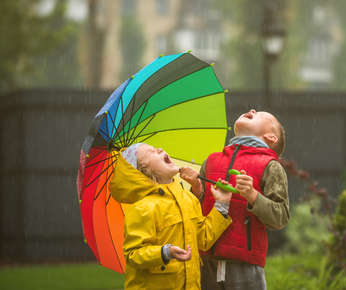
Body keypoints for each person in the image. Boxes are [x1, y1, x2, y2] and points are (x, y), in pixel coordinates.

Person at [180, 109, 290, 290]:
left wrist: (252, 195)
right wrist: (197, 188)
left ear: (271, 137)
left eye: (261, 114)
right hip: (205, 260)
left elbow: (281, 218)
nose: (252, 110)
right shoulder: (212, 160)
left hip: (245, 264)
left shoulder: (271, 166)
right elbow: (196, 212)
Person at [110, 143, 233, 290]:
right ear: (144, 170)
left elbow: (203, 238)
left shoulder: (188, 198)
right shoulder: (142, 208)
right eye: (153, 152)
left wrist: (221, 205)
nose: (160, 149)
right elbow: (134, 254)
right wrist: (165, 252)